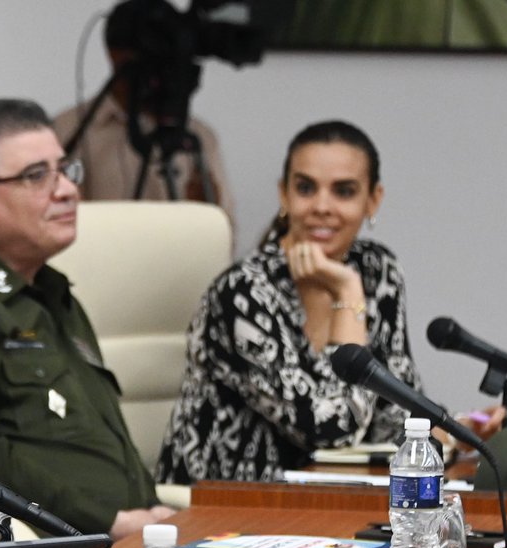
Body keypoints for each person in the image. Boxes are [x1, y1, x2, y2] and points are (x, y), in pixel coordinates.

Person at [0, 98, 173, 541]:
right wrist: (107, 522)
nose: (68, 190)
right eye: (37, 176)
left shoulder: (50, 290)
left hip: (139, 535)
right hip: (56, 547)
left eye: (65, 170)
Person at [156, 119, 421, 484]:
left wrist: (447, 429)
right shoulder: (241, 294)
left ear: (373, 200)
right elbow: (332, 431)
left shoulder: (378, 271)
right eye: (305, 188)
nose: (322, 206)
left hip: (325, 494)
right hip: (225, 500)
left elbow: (395, 413)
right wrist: (347, 294)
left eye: (344, 191)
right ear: (284, 194)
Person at [52, 0, 235, 226]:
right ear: (116, 56)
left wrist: (208, 218)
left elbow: (227, 234)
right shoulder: (68, 129)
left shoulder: (199, 137)